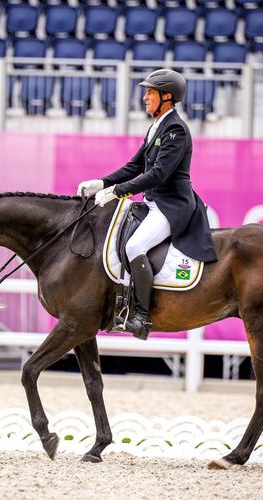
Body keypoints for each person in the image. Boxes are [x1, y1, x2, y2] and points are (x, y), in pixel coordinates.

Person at [77, 68, 218, 340]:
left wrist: (118, 192)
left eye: (150, 92)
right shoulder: (157, 126)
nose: (145, 97)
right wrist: (103, 183)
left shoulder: (176, 129)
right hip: (153, 202)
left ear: (167, 96)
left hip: (172, 206)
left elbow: (157, 174)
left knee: (134, 245)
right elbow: (135, 166)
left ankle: (141, 316)